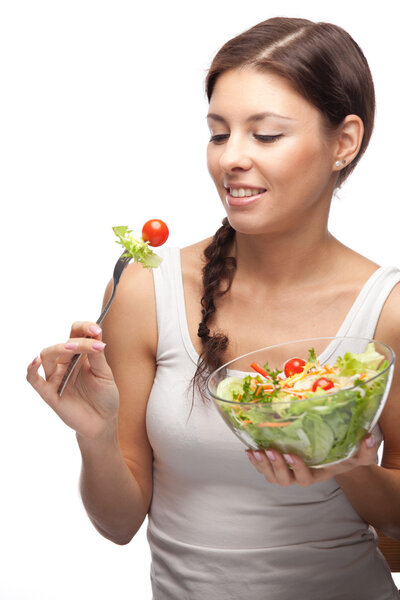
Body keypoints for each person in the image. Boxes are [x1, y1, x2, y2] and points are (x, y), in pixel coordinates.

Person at [27, 16, 400, 600]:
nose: (232, 159)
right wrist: (95, 435)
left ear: (344, 142)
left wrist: (347, 468)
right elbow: (118, 523)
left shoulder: (388, 311)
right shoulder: (147, 289)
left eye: (266, 135)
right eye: (219, 133)